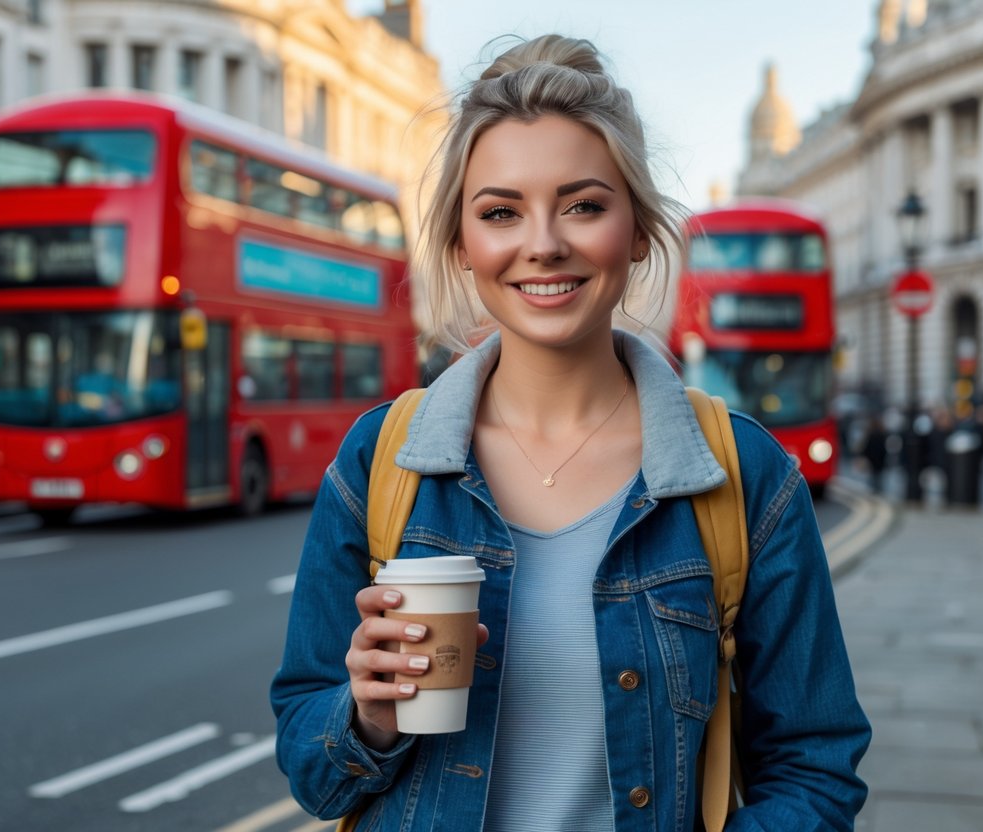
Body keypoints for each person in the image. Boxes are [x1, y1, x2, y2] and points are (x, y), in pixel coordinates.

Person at [270, 34, 870, 831]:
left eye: (583, 205)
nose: (543, 242)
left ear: (641, 230)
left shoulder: (744, 473)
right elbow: (313, 772)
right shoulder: (378, 460)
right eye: (500, 212)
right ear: (462, 242)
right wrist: (366, 719)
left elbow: (814, 769)